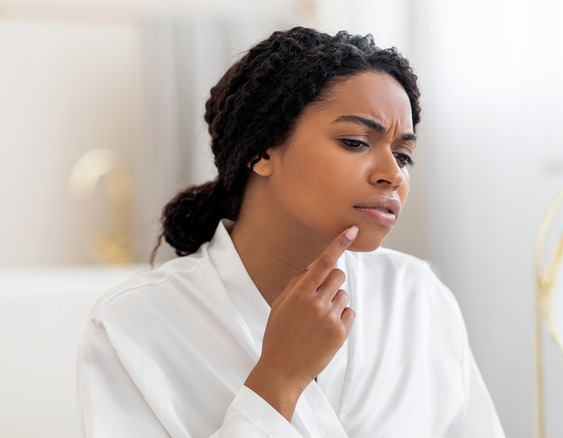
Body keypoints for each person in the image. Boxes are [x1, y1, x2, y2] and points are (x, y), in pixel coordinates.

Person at [77, 27, 505, 437]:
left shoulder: (419, 297)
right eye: (356, 142)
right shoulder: (132, 325)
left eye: (404, 155)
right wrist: (278, 380)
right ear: (261, 150)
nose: (393, 174)